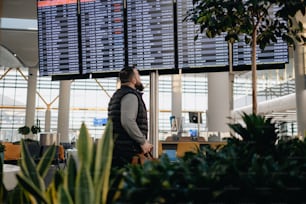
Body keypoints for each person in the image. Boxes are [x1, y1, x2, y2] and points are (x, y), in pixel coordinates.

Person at [108, 66, 153, 168]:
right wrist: (143, 142)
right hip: (128, 152)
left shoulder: (116, 95)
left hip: (117, 150)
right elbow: (128, 121)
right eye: (138, 76)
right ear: (133, 80)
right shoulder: (130, 95)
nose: (139, 78)